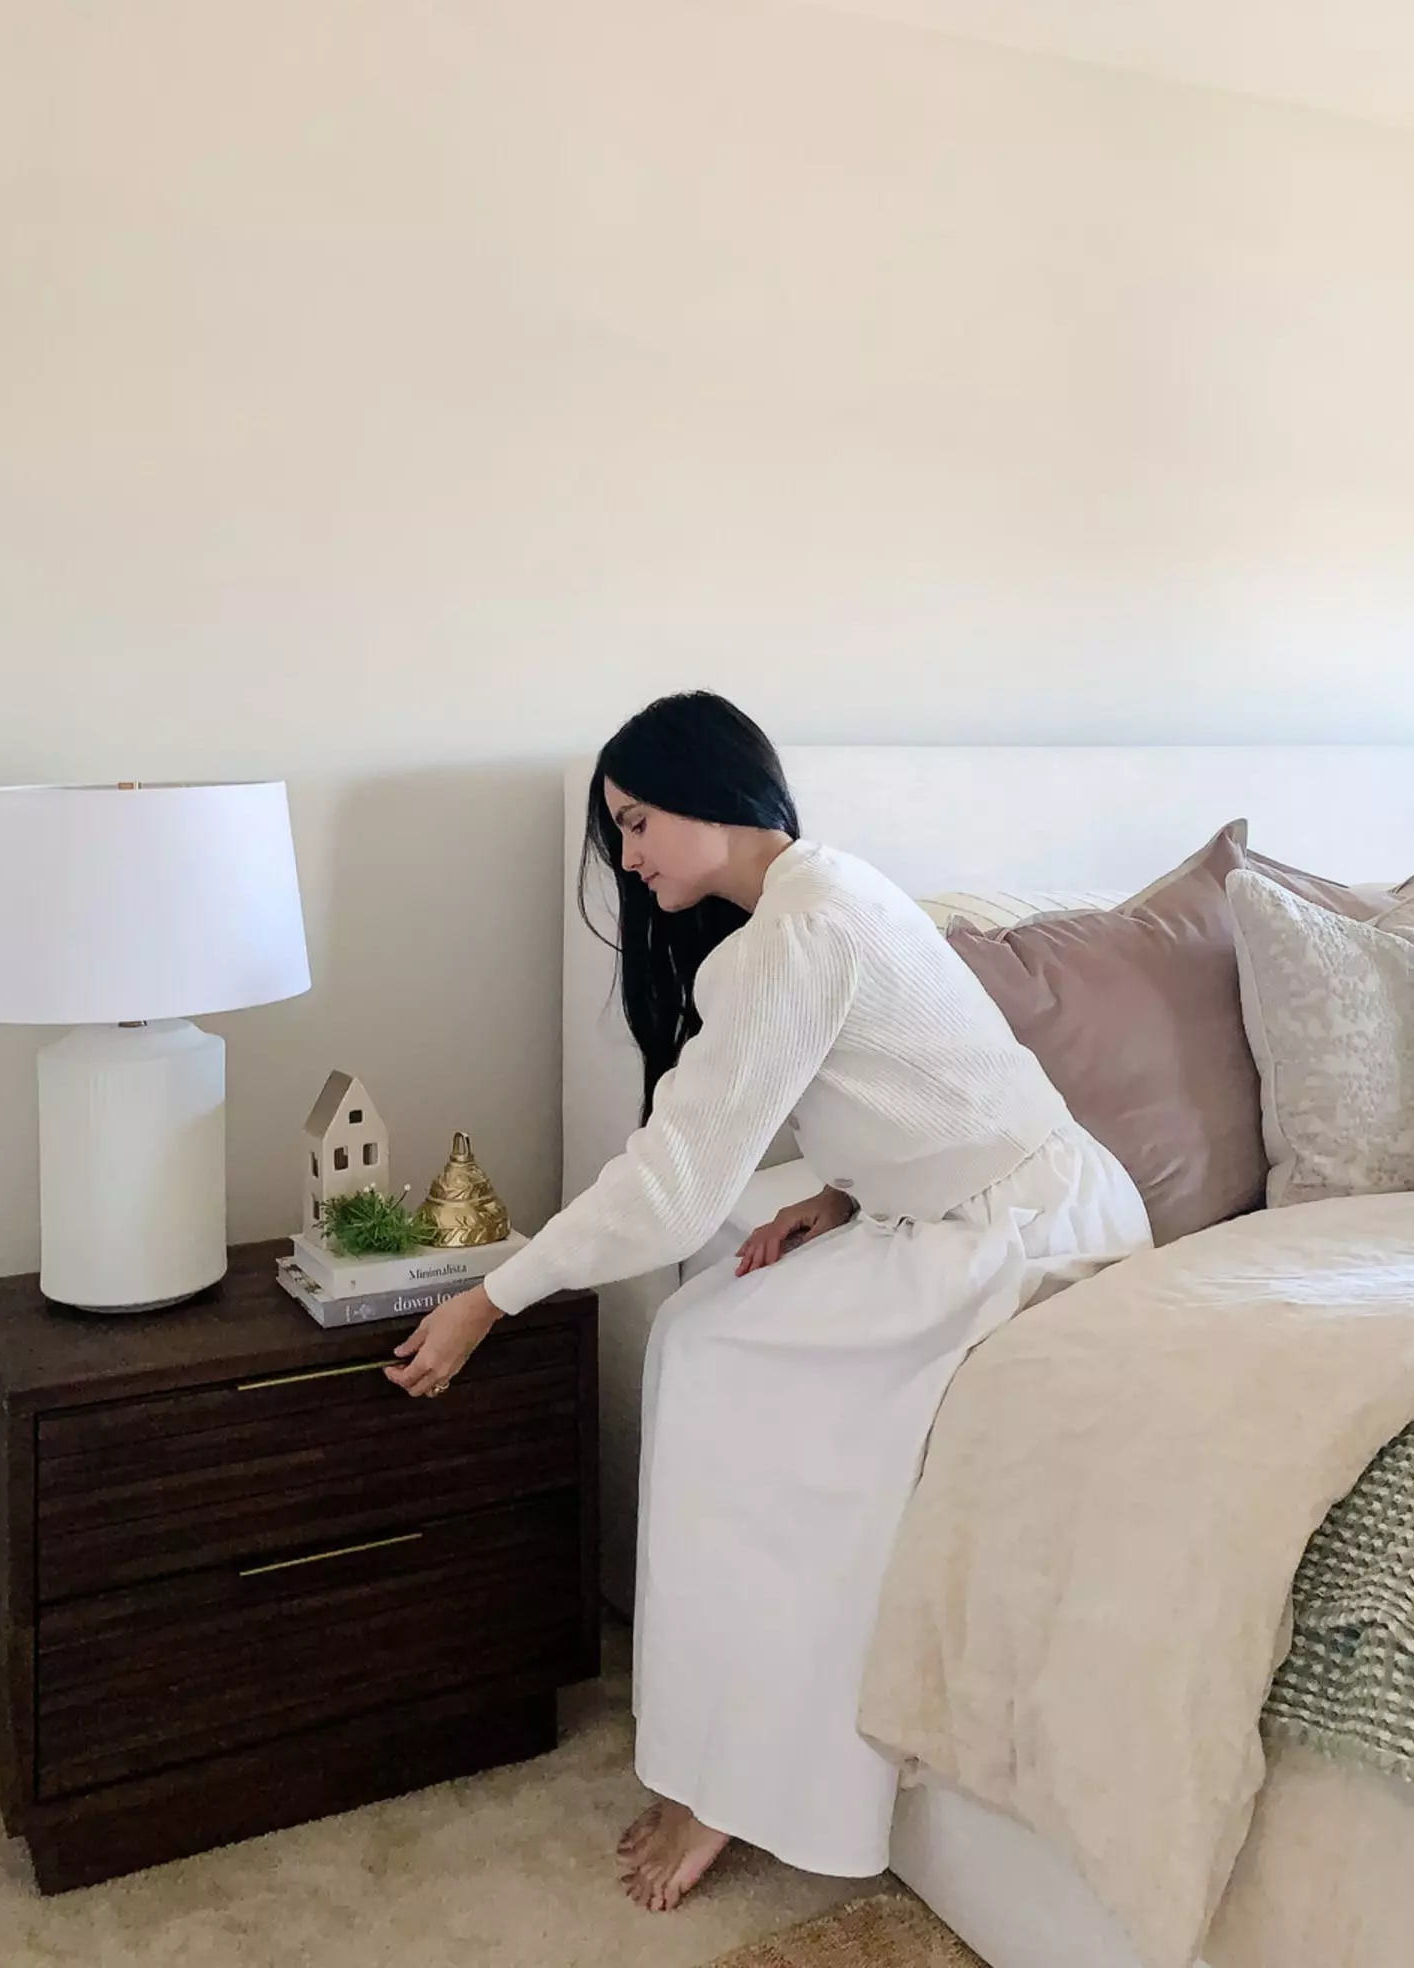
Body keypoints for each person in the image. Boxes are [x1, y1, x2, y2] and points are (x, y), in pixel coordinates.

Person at [385, 692, 1152, 1909]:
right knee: (705, 1339)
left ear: (715, 796)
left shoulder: (795, 936)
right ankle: (725, 1746)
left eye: (637, 825)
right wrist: (843, 1192)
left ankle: (739, 1779)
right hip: (988, 1206)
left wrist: (495, 1296)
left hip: (1016, 1239)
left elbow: (676, 1187)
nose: (628, 861)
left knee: (720, 1372)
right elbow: (922, 1081)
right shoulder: (831, 889)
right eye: (618, 835)